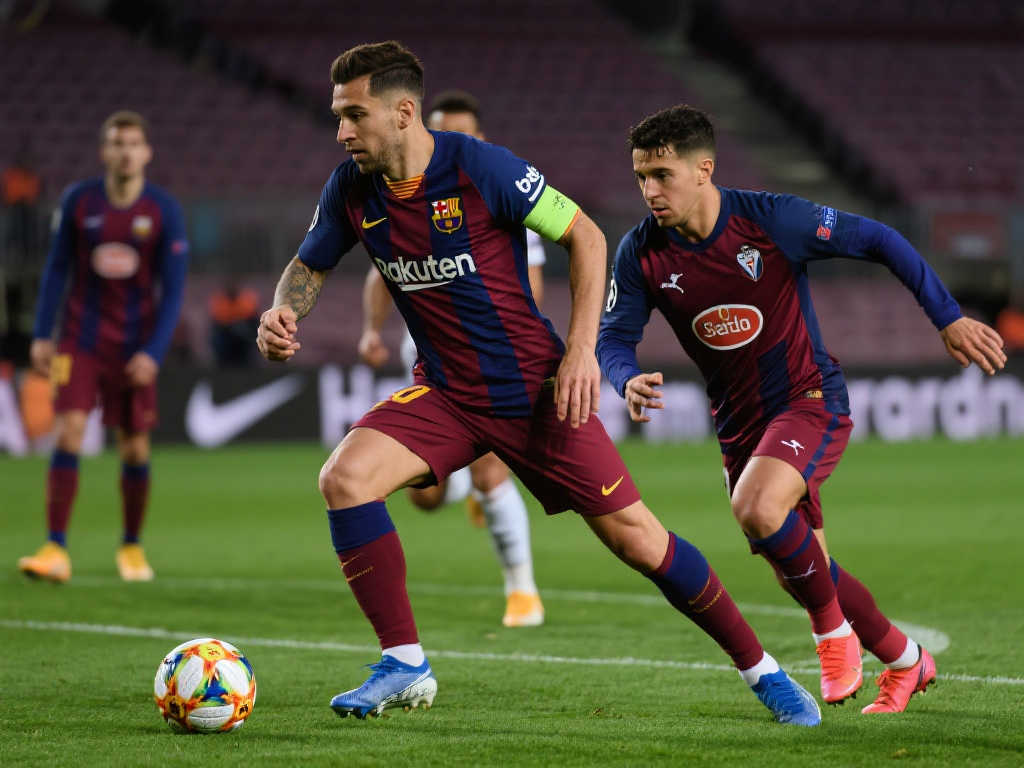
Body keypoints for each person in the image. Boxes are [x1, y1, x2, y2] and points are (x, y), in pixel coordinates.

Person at [257, 41, 821, 726]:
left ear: (403, 113)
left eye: (354, 115)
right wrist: (284, 311)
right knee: (344, 478)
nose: (342, 131)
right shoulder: (350, 188)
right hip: (446, 394)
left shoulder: (481, 168)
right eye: (338, 116)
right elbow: (309, 264)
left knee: (639, 541)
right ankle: (404, 664)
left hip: (535, 393)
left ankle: (763, 672)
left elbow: (585, 235)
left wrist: (581, 350)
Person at [597, 104, 1007, 714]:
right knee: (802, 565)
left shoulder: (770, 220)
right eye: (640, 177)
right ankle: (906, 660)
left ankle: (833, 636)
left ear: (704, 170)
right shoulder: (641, 252)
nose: (650, 191)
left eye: (662, 175)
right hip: (737, 424)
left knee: (758, 508)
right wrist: (626, 378)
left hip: (807, 397)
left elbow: (880, 239)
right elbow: (613, 337)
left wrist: (947, 317)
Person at [358, 89, 545, 629]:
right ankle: (458, 485)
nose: (450, 141)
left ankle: (522, 591)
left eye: (462, 133)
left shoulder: (500, 194)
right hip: (427, 361)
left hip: (490, 361)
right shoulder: (402, 196)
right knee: (426, 497)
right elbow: (379, 273)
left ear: (481, 139)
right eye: (443, 130)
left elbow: (529, 286)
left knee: (491, 473)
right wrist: (370, 331)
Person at [18, 110, 190, 584]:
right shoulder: (79, 201)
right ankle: (55, 547)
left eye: (133, 143)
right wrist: (42, 333)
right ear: (104, 152)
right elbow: (56, 270)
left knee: (133, 447)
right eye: (117, 143)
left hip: (135, 344)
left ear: (147, 152)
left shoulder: (163, 210)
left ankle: (131, 546)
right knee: (68, 431)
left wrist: (154, 352)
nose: (126, 152)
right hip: (81, 339)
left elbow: (174, 289)